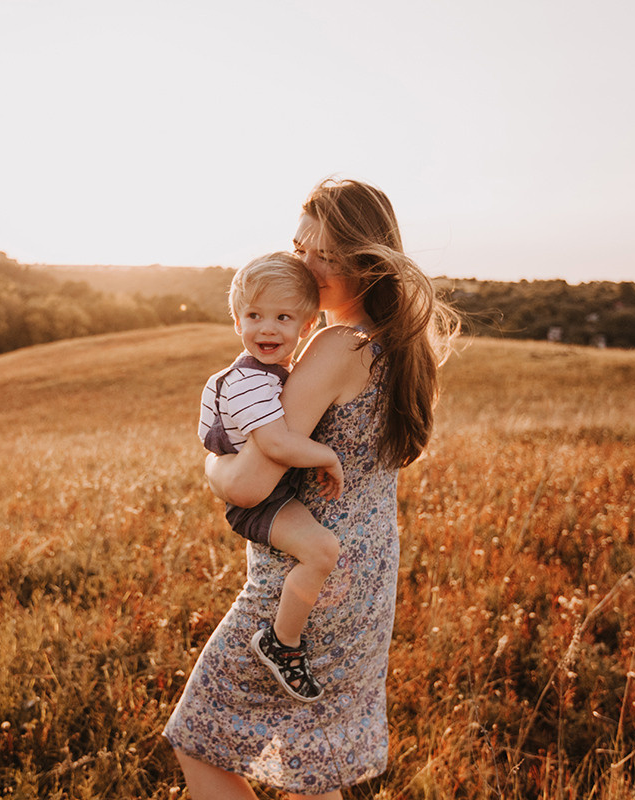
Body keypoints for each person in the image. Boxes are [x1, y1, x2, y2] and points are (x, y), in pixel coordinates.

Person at [164, 178, 458, 799]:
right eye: (300, 247)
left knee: (198, 738)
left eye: (325, 255)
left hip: (304, 583)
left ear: (365, 263)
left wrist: (212, 465)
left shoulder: (334, 345)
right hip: (365, 580)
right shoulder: (401, 343)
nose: (305, 265)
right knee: (310, 761)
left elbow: (248, 485)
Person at [200, 251, 343, 703]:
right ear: (237, 322)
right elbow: (276, 444)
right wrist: (327, 456)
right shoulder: (249, 381)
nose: (267, 329)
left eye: (283, 317)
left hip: (274, 493)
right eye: (254, 316)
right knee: (321, 552)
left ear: (306, 326)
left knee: (320, 550)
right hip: (260, 502)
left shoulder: (275, 374)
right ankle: (283, 643)